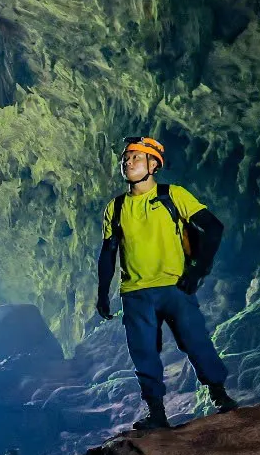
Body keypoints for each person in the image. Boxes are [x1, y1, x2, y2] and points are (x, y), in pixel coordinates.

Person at [94, 136, 239, 431]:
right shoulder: (116, 207)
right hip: (135, 293)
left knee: (195, 340)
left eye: (136, 157)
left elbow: (213, 227)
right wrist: (102, 293)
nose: (128, 162)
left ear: (153, 164)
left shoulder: (173, 195)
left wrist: (196, 270)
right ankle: (157, 413)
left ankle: (219, 394)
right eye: (126, 158)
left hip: (174, 287)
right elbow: (108, 252)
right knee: (143, 352)